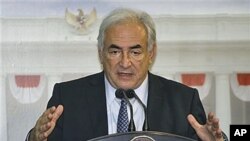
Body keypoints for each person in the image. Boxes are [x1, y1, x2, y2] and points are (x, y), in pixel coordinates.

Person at [26, 8, 227, 141]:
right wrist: (35, 138)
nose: (124, 62)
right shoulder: (68, 98)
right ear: (101, 54)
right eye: (114, 51)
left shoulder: (183, 101)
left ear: (151, 53)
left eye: (135, 52)